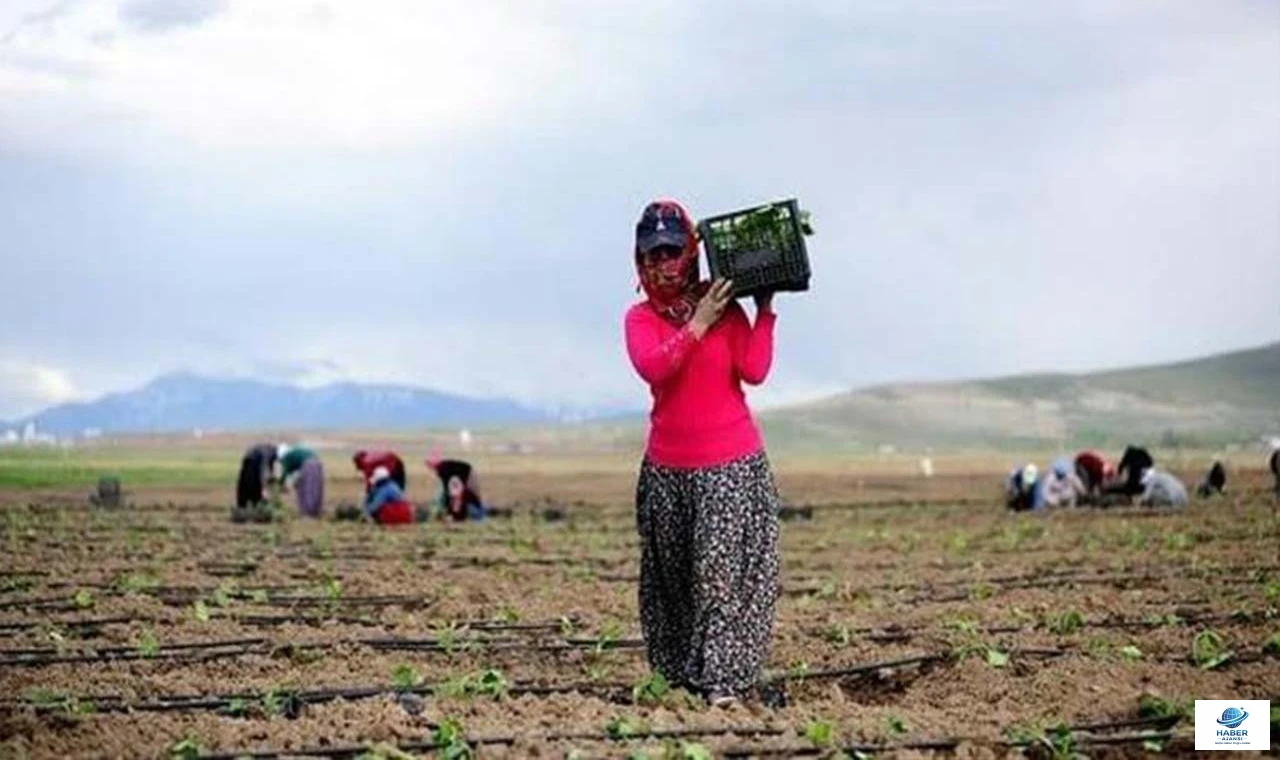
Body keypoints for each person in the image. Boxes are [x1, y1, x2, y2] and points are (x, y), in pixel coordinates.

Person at [624, 198, 781, 708]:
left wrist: (764, 310)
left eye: (672, 249)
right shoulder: (641, 318)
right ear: (638, 260)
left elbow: (754, 371)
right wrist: (698, 324)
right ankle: (678, 680)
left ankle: (724, 685)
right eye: (652, 254)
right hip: (668, 469)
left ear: (691, 251)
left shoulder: (726, 307)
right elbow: (655, 368)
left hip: (731, 466)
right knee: (672, 580)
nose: (663, 263)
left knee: (720, 577)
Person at [425, 451, 487, 521]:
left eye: (429, 464)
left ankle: (480, 515)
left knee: (471, 496)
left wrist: (447, 505)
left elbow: (447, 486)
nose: (429, 467)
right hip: (463, 478)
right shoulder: (444, 467)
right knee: (467, 497)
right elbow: (447, 486)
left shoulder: (442, 469)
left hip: (468, 475)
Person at [278, 443, 325, 518]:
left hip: (308, 465)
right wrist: (295, 483)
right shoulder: (294, 455)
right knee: (316, 488)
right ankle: (317, 510)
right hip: (318, 463)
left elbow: (285, 473)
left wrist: (280, 485)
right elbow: (295, 474)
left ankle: (307, 512)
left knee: (307, 489)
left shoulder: (287, 457)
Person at [236, 442, 279, 508]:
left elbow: (270, 468)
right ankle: (252, 507)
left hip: (248, 462)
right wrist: (263, 489)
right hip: (252, 465)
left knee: (244, 488)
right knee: (254, 489)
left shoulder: (268, 451)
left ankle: (242, 507)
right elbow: (262, 470)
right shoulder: (267, 454)